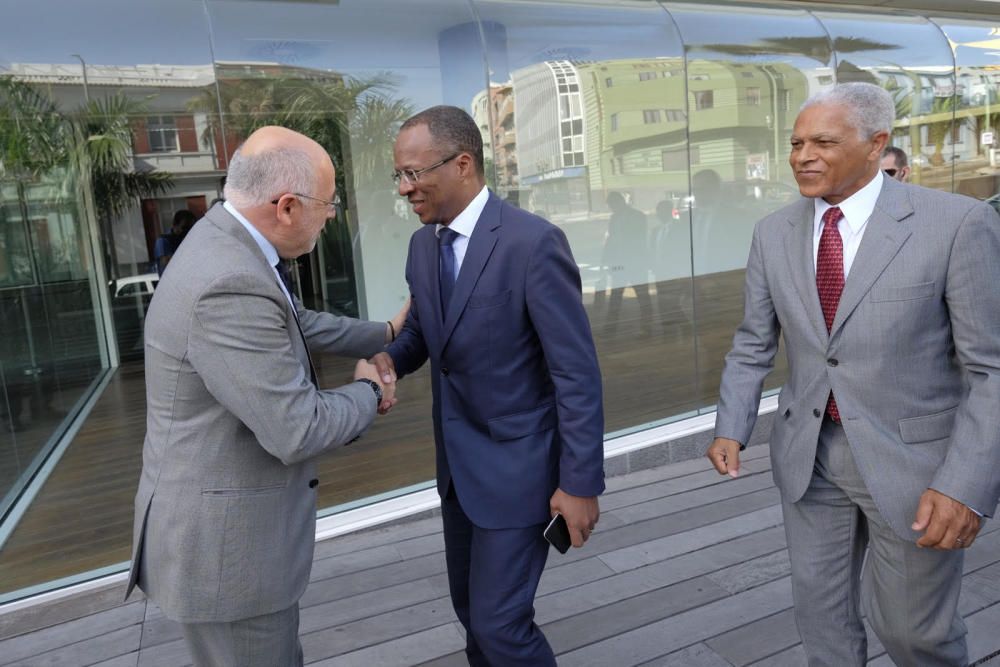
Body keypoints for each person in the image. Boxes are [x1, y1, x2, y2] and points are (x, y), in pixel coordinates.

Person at [707, 82, 1000, 666]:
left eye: (822, 141)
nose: (802, 156)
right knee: (822, 623)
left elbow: (991, 369)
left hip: (917, 466)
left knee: (915, 634)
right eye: (795, 143)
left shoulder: (957, 225)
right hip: (807, 455)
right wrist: (730, 424)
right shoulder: (774, 232)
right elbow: (753, 340)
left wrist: (965, 484)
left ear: (876, 145)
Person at [126, 126, 408, 667]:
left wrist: (385, 335)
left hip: (219, 537)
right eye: (326, 206)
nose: (330, 218)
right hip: (228, 559)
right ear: (285, 206)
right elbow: (296, 428)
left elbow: (293, 323)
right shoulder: (227, 281)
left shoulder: (224, 239)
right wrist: (368, 391)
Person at [371, 105, 604, 666]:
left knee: (501, 625)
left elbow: (576, 373)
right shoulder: (422, 246)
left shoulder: (532, 243)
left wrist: (579, 484)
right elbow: (426, 333)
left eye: (413, 173)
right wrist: (387, 361)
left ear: (463, 164)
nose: (404, 189)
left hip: (521, 475)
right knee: (473, 616)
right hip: (458, 475)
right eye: (398, 175)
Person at [602, 191, 653, 334]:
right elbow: (611, 239)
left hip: (636, 263)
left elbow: (639, 240)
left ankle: (646, 328)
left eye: (612, 205)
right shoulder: (614, 218)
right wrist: (607, 260)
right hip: (620, 263)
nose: (612, 208)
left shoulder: (638, 216)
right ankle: (610, 328)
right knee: (615, 297)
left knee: (643, 296)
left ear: (620, 202)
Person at [153, 209, 196, 275]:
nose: (187, 231)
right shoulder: (163, 241)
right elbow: (166, 263)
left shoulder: (186, 240)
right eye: (184, 227)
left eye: (191, 228)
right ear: (175, 225)